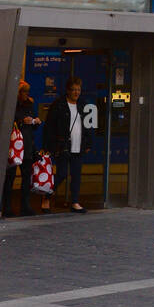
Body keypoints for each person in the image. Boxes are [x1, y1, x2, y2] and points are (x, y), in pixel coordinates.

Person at [42, 77, 93, 212]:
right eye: (74, 90)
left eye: (78, 90)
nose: (76, 93)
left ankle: (75, 202)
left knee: (76, 175)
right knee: (62, 173)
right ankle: (47, 196)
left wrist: (88, 143)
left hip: (79, 145)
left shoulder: (83, 104)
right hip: (62, 145)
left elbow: (88, 126)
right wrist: (47, 146)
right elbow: (49, 126)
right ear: (68, 91)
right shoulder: (58, 105)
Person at [1, 81, 40, 217]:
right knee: (10, 177)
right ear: (17, 93)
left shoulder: (29, 104)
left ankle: (25, 206)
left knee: (26, 177)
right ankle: (6, 206)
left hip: (27, 144)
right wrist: (23, 121)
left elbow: (33, 124)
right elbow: (9, 120)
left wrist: (35, 121)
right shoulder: (11, 105)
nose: (26, 95)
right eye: (24, 92)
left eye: (27, 92)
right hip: (14, 145)